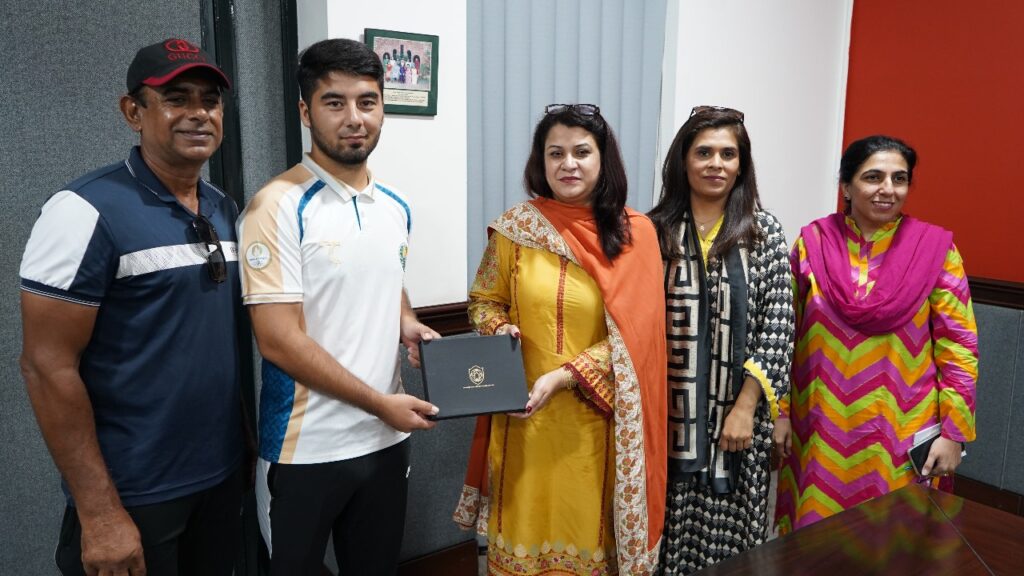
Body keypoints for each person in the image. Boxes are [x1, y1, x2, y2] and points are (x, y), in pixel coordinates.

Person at [19, 38, 244, 575]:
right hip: (133, 492)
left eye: (210, 100)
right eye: (176, 99)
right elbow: (46, 366)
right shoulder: (82, 210)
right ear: (133, 112)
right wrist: (98, 513)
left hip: (220, 475)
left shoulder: (223, 207)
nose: (198, 114)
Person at [238, 38, 440, 576]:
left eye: (367, 102)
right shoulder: (276, 205)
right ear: (306, 112)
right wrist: (378, 403)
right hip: (305, 447)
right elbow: (278, 340)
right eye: (335, 103)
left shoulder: (395, 205)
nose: (354, 118)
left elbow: (385, 277)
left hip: (385, 440)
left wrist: (406, 320)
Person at [454, 104, 668, 575]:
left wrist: (568, 375)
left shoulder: (636, 234)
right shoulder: (515, 230)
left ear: (603, 160)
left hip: (596, 421)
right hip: (522, 416)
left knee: (585, 535)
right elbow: (483, 300)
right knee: (522, 536)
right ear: (541, 161)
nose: (568, 164)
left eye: (581, 152)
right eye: (556, 153)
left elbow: (638, 336)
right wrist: (498, 328)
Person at [774, 135, 978, 534]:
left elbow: (959, 347)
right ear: (846, 186)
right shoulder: (812, 244)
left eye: (899, 178)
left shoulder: (935, 250)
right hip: (818, 426)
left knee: (891, 539)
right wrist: (779, 412)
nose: (888, 189)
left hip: (900, 427)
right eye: (873, 177)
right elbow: (785, 335)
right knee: (814, 544)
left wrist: (954, 434)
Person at [647, 106, 794, 574]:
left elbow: (777, 327)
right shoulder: (653, 231)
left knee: (733, 540)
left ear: (741, 163)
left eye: (728, 154)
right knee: (664, 530)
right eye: (704, 152)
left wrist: (745, 408)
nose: (716, 164)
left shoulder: (763, 232)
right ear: (683, 160)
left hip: (740, 419)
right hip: (668, 415)